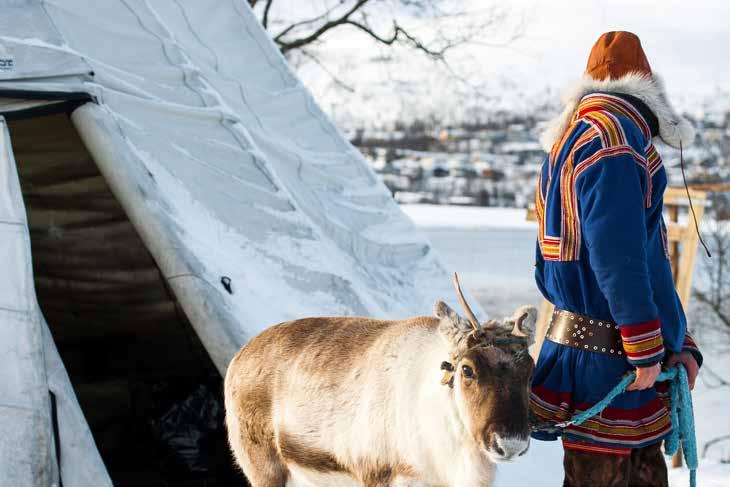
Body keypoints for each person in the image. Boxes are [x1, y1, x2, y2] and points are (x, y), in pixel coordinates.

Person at [530, 31, 703, 487]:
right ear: (647, 89)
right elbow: (619, 258)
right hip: (616, 365)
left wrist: (679, 341)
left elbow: (549, 267)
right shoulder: (619, 143)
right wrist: (647, 345)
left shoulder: (569, 141)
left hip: (598, 354)